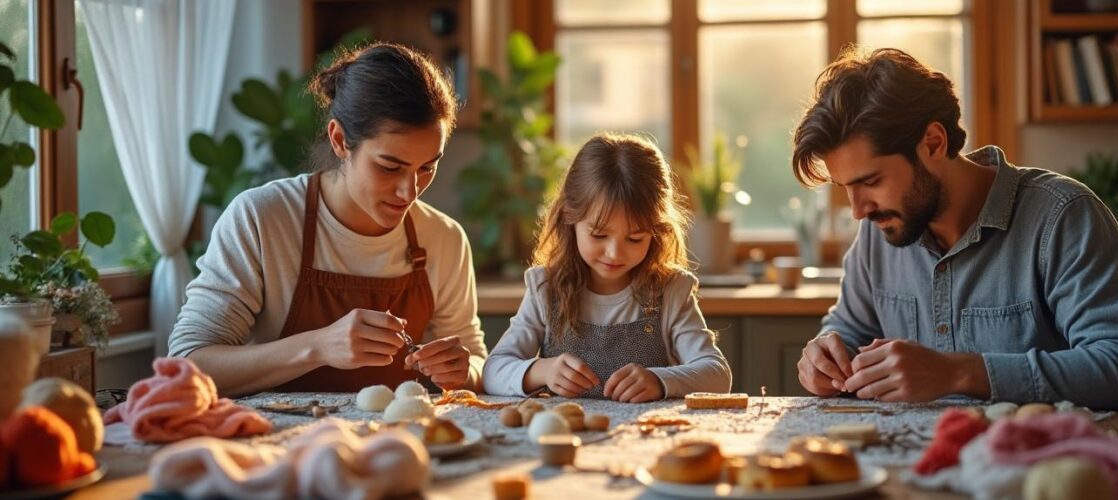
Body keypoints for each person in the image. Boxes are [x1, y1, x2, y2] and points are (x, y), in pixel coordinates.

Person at [790, 47, 1118, 409]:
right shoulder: (882, 226)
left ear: (933, 143)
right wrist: (827, 352)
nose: (857, 211)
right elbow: (850, 330)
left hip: (1040, 463)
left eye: (870, 182)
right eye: (846, 188)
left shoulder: (1063, 216)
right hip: (909, 464)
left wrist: (959, 373)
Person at [169, 43, 487, 396]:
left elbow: (476, 360)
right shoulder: (262, 219)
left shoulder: (444, 238)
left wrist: (464, 369)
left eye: (427, 167)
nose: (408, 192)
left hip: (402, 443)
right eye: (389, 167)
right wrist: (318, 347)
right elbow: (188, 364)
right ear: (339, 140)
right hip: (278, 444)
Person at [483, 133, 732, 402]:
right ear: (570, 217)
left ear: (657, 232)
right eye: (599, 235)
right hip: (566, 437)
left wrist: (661, 381)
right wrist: (541, 370)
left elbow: (717, 374)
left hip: (645, 438)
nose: (614, 252)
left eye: (635, 238)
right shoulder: (546, 288)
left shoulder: (671, 290)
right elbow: (493, 371)